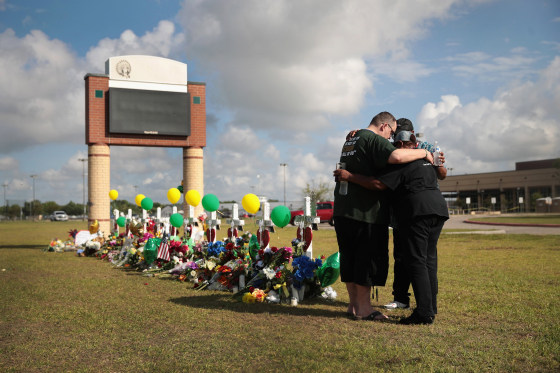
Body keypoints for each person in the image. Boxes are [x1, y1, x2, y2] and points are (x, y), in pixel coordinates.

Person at [334, 130, 449, 324]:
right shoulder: (427, 159)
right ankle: (430, 307)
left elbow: (378, 184)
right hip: (438, 209)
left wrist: (350, 176)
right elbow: (442, 174)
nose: (394, 149)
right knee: (429, 260)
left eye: (396, 145)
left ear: (403, 146)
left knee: (417, 261)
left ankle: (424, 313)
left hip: (417, 211)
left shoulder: (403, 163)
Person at [385, 119, 447, 310]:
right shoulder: (392, 147)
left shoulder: (427, 146)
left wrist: (438, 161)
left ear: (412, 132)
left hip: (420, 206)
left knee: (423, 260)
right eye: (396, 135)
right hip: (403, 206)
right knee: (401, 256)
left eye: (402, 134)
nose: (398, 139)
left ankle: (427, 306)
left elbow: (443, 174)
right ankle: (402, 298)